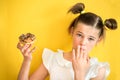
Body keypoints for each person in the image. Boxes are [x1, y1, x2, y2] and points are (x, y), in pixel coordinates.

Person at [17, 3, 117, 80]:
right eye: (79, 35)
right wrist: (27, 60)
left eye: (90, 39)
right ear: (72, 31)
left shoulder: (98, 70)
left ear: (98, 40)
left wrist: (80, 74)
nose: (83, 43)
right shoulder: (53, 59)